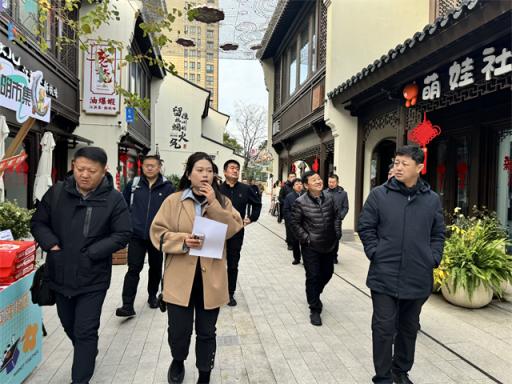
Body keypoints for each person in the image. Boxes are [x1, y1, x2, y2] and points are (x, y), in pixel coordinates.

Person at [31, 147, 132, 384]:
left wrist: (92, 253)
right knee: (69, 326)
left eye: (91, 170)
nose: (84, 175)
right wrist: (50, 243)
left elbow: (123, 233)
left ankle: (80, 378)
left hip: (93, 277)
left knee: (85, 330)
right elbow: (38, 222)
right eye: (80, 169)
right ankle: (87, 352)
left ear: (103, 170)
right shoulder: (57, 192)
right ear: (73, 166)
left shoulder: (114, 199)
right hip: (60, 273)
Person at [150, 152, 243, 384]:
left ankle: (204, 373)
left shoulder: (223, 202)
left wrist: (213, 203)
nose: (205, 175)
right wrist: (182, 240)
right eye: (200, 170)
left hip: (210, 278)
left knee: (206, 332)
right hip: (180, 278)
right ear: (189, 174)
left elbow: (233, 228)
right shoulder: (174, 201)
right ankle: (178, 360)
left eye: (209, 171)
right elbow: (157, 233)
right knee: (178, 330)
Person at [358, 145, 445, 384]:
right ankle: (383, 377)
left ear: (419, 167)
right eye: (396, 162)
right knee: (383, 329)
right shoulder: (379, 195)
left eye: (404, 164)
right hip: (384, 275)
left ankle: (401, 371)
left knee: (409, 328)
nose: (397, 167)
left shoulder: (432, 200)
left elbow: (438, 233)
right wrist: (375, 252)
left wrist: (433, 257)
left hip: (418, 276)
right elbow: (365, 227)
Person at [116, 155, 175, 317]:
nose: (149, 168)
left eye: (153, 166)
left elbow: (172, 212)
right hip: (136, 235)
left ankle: (152, 296)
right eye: (147, 165)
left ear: (159, 167)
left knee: (155, 268)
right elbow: (122, 206)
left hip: (157, 236)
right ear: (142, 167)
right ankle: (127, 305)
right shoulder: (133, 185)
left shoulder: (168, 187)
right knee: (133, 269)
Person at [290, 171, 341, 326]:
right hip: (311, 247)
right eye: (314, 180)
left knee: (328, 273)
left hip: (329, 244)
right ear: (306, 185)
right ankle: (315, 308)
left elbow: (336, 216)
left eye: (319, 178)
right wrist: (306, 239)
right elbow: (295, 224)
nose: (319, 181)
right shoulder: (300, 202)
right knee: (313, 276)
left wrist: (337, 232)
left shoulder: (330, 198)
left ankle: (314, 294)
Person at [220, 160, 262, 306]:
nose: (235, 170)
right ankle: (216, 291)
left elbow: (257, 204)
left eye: (237, 168)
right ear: (225, 172)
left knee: (233, 263)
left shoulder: (246, 189)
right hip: (218, 231)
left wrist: (250, 219)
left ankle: (230, 293)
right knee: (216, 263)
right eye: (232, 168)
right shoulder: (217, 190)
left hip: (237, 232)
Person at [324, 174, 349, 264]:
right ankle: (327, 255)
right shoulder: (324, 192)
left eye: (333, 182)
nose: (331, 184)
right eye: (329, 182)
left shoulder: (343, 193)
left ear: (337, 182)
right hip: (325, 220)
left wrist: (340, 217)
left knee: (335, 238)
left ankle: (334, 256)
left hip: (336, 220)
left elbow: (345, 207)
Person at [283, 178, 304, 265]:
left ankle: (306, 259)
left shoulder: (306, 195)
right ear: (293, 187)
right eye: (297, 184)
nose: (299, 186)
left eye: (300, 184)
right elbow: (286, 210)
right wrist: (291, 220)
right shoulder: (289, 196)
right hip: (294, 223)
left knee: (305, 243)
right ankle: (297, 258)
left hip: (305, 223)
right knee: (295, 242)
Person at [278, 172, 296, 242]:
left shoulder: (298, 185)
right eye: (291, 176)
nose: (292, 178)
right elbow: (280, 197)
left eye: (294, 176)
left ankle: (294, 240)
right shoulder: (284, 187)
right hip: (287, 210)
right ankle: (289, 242)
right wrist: (286, 203)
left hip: (297, 210)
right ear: (288, 178)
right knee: (289, 226)